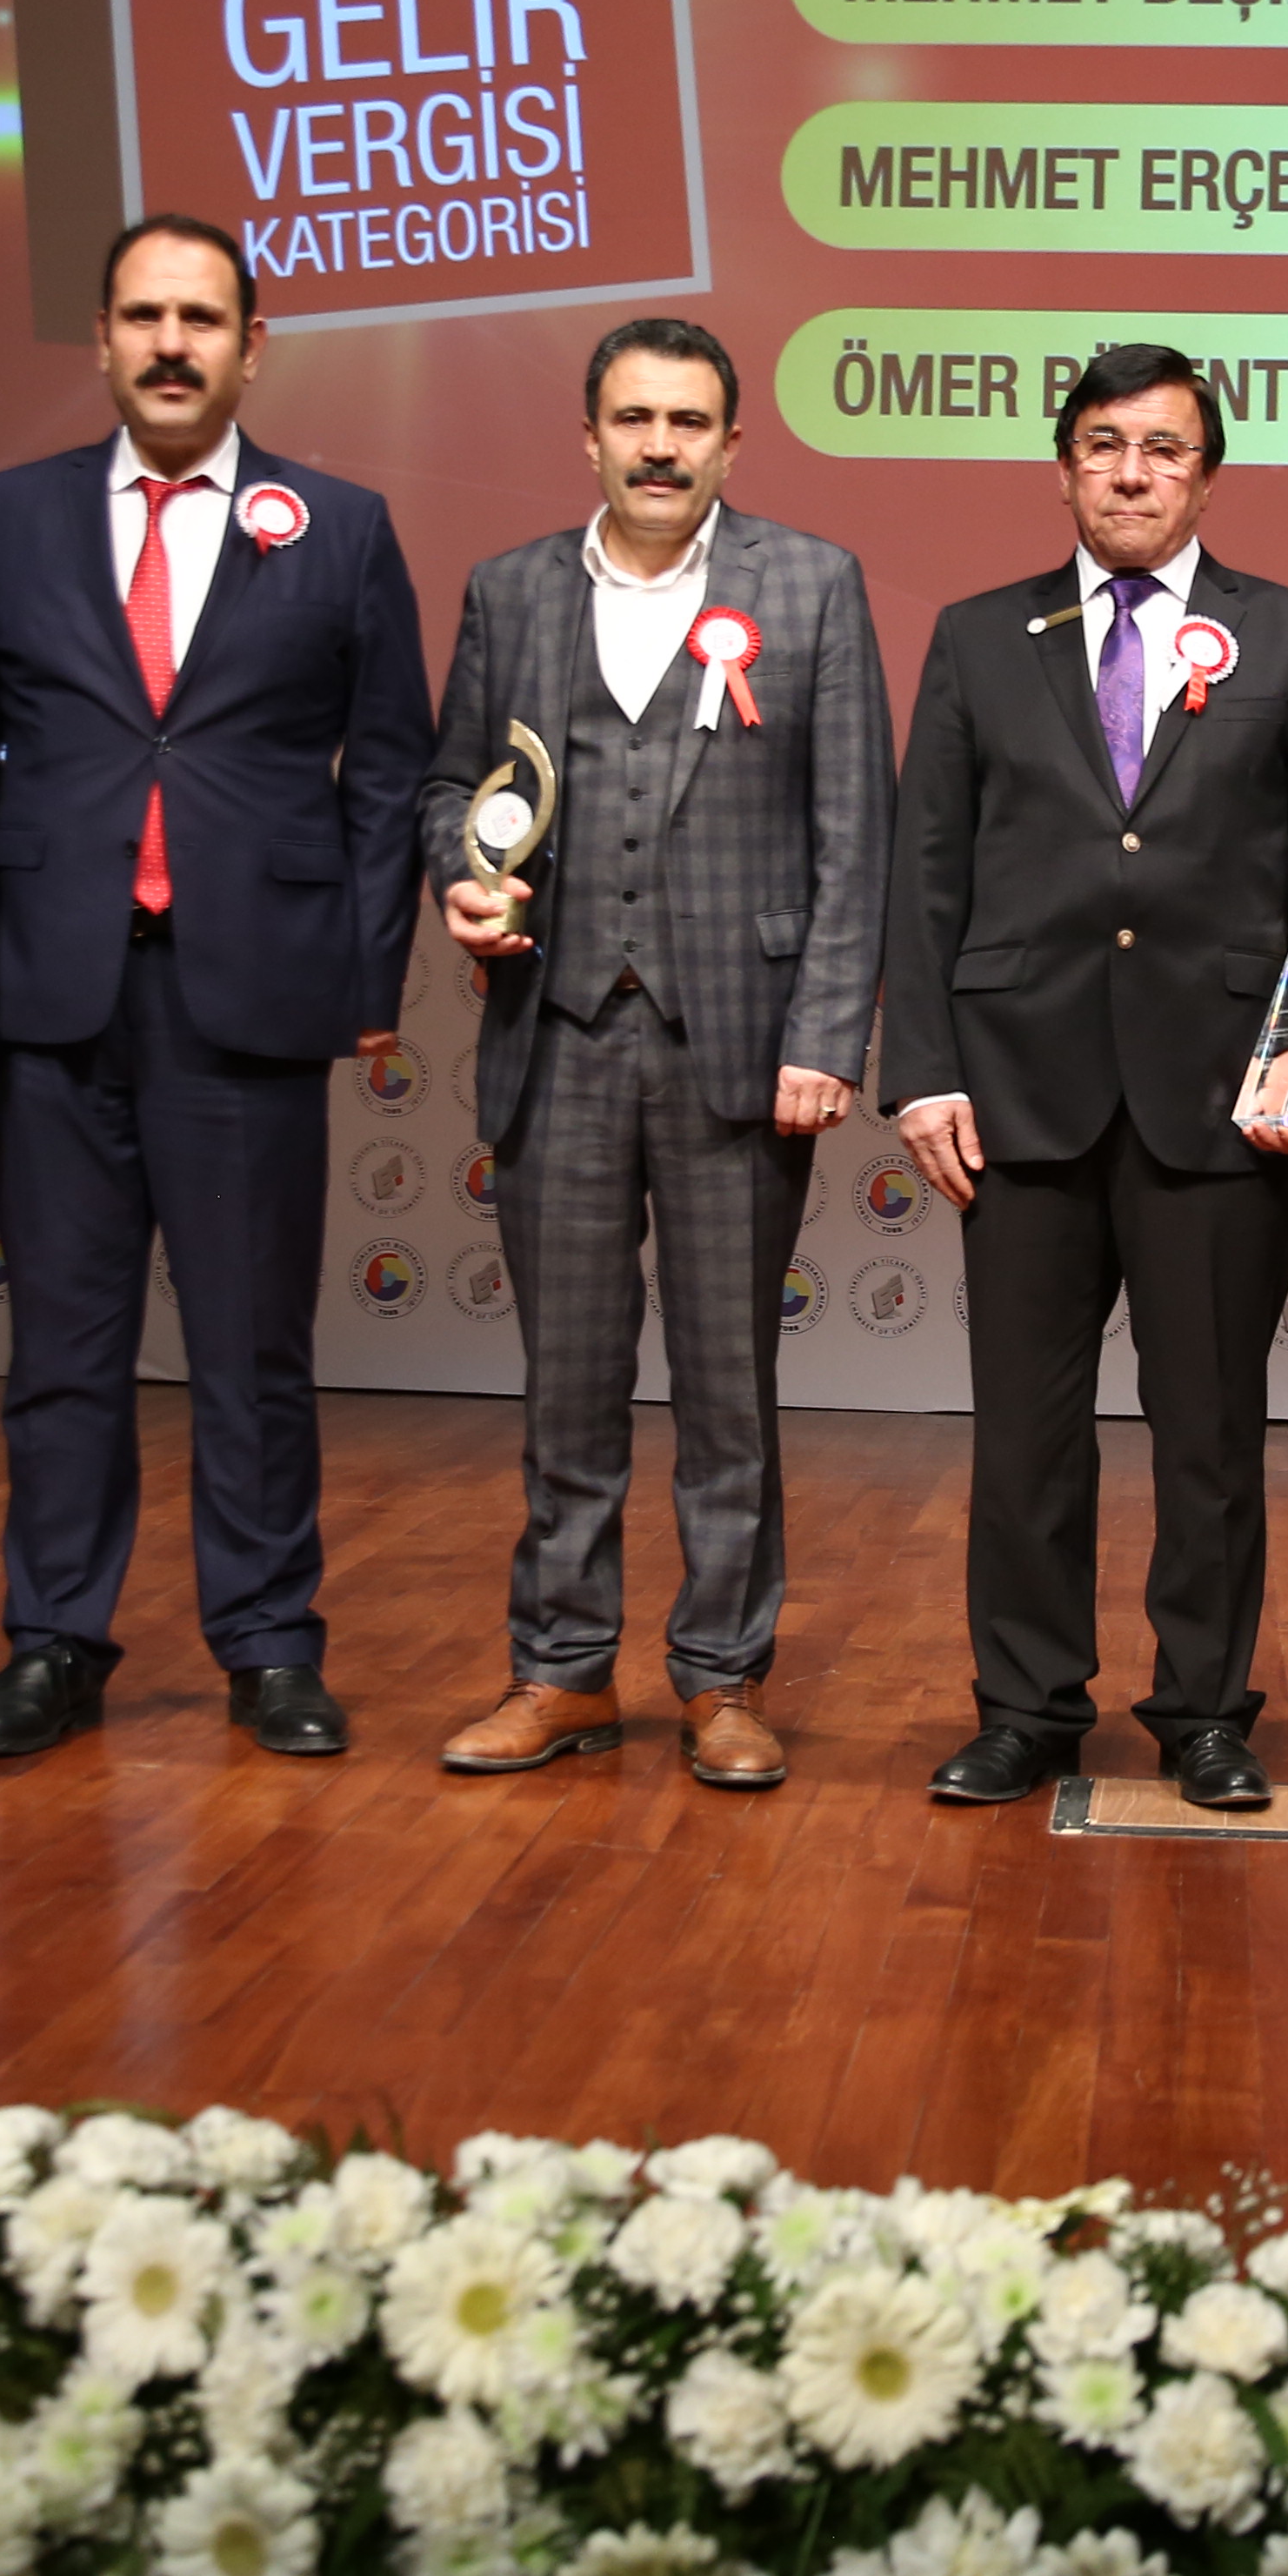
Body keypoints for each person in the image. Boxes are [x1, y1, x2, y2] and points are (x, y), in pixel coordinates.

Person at [0, 214, 431, 1763]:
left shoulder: (338, 525)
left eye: (202, 319)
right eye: (145, 316)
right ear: (101, 338)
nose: (172, 344)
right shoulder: (5, 518)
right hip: (56, 993)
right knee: (61, 1352)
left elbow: (392, 770)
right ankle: (53, 1640)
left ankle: (270, 1642)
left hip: (252, 997)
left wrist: (363, 972)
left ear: (251, 347)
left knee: (252, 1353)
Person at [881, 338, 1288, 1810]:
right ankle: (1026, 1708)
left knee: (1211, 1437)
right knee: (1024, 1439)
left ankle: (1207, 1713)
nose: (1132, 473)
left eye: (1164, 448)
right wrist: (922, 1071)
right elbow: (926, 876)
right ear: (1064, 470)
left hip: (1220, 1102)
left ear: (1206, 476)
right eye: (1104, 446)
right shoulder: (979, 637)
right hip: (1017, 1092)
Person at [418, 320, 892, 1787]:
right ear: (591, 436)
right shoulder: (509, 590)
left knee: (727, 1392)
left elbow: (853, 833)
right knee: (565, 1386)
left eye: (690, 422)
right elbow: (451, 786)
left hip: (736, 1049)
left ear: (733, 443)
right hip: (556, 1037)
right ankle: (561, 1672)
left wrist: (824, 1034)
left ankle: (722, 1680)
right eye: (635, 418)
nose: (661, 446)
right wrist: (463, 872)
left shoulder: (810, 584)